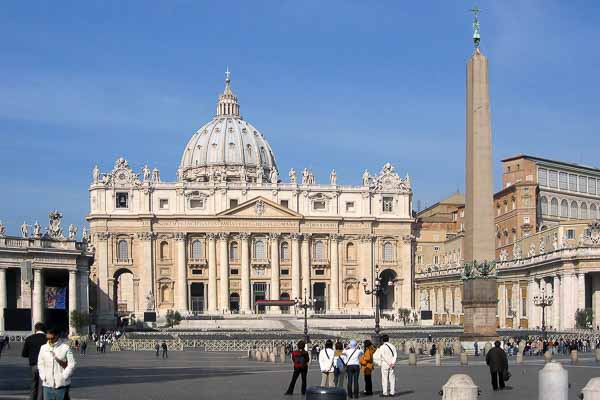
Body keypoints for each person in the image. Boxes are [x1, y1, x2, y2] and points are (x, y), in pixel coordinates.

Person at [37, 327, 76, 400]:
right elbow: (40, 364)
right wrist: (43, 376)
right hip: (47, 384)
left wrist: (64, 376)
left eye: (52, 338)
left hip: (61, 384)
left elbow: (72, 364)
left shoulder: (65, 348)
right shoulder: (43, 348)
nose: (50, 340)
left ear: (57, 336)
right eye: (48, 338)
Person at [22, 323, 47, 400]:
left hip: (34, 364)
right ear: (44, 329)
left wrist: (31, 355)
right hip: (44, 365)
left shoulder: (29, 338)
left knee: (33, 384)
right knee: (41, 385)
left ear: (35, 329)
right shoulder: (47, 339)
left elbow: (24, 354)